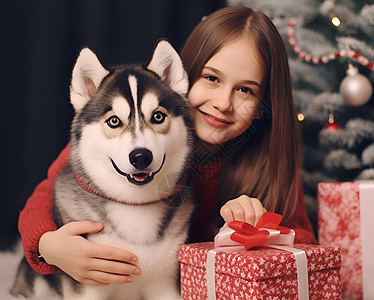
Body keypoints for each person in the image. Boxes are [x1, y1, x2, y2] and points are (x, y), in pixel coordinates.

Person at [18, 6, 317, 287]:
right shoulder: (121, 143)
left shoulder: (268, 158)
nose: (223, 103)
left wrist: (260, 228)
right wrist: (47, 245)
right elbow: (45, 194)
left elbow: (305, 243)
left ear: (264, 101)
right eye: (211, 78)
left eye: (245, 90)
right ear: (180, 78)